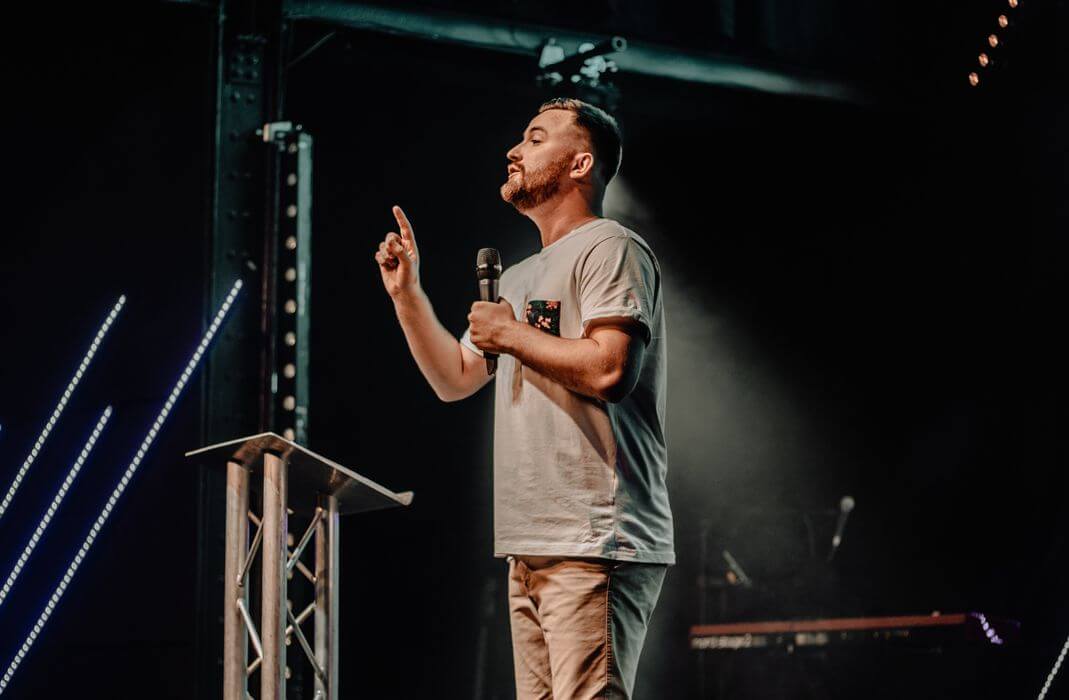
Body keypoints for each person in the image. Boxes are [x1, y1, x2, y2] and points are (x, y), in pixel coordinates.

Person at [373, 97, 674, 699]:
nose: (514, 151)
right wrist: (408, 296)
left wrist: (510, 334)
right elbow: (455, 378)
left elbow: (612, 369)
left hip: (594, 537)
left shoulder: (610, 246)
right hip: (531, 543)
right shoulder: (516, 277)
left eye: (536, 139)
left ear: (580, 164)